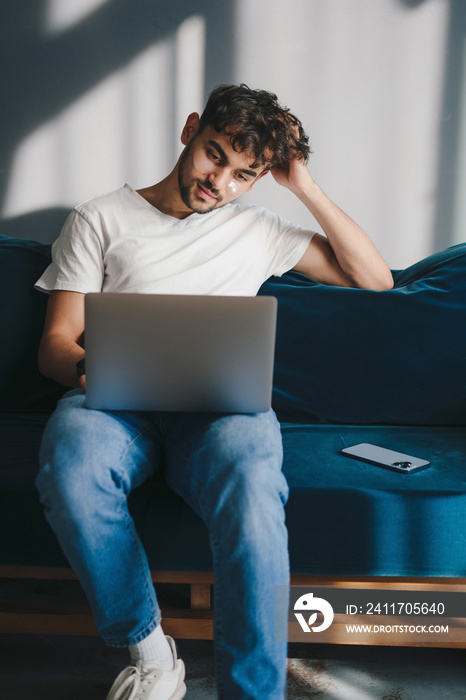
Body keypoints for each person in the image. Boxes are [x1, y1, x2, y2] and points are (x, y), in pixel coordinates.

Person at [35, 84, 393, 700]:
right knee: (71, 464)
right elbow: (56, 345)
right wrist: (93, 372)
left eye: (242, 173)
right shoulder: (99, 217)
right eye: (214, 155)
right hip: (116, 404)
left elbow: (376, 280)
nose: (219, 182)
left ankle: (253, 693)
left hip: (222, 412)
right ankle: (152, 652)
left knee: (255, 486)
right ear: (190, 130)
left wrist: (300, 186)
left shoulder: (260, 229)